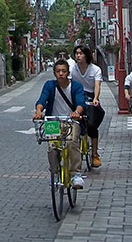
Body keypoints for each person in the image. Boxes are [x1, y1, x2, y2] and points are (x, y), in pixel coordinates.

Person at [33, 58, 86, 189]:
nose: (61, 74)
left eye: (63, 71)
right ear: (54, 73)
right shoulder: (50, 86)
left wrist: (76, 112)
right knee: (52, 148)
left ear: (68, 73)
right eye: (58, 71)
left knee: (72, 142)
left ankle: (75, 174)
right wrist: (39, 111)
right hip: (53, 121)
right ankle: (55, 172)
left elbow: (81, 103)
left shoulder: (76, 86)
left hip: (71, 121)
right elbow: (42, 100)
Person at [71, 45, 105, 168]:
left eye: (81, 53)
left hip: (90, 97)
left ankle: (95, 154)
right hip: (76, 96)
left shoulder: (95, 69)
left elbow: (97, 85)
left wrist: (96, 98)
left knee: (91, 125)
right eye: (76, 53)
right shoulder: (72, 69)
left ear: (86, 55)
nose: (78, 56)